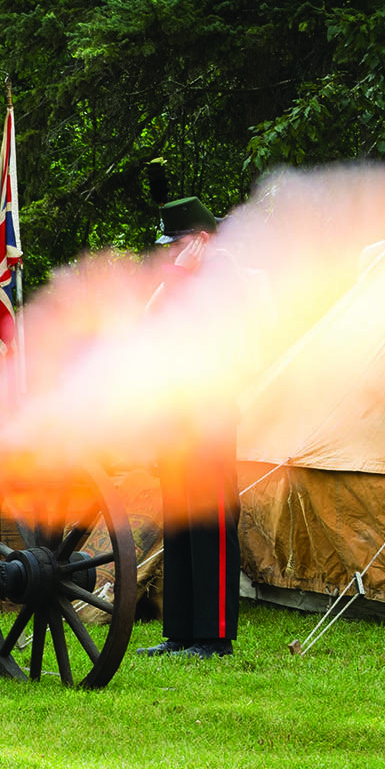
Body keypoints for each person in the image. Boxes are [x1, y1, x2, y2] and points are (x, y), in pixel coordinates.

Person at [136, 196, 243, 660]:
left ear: (199, 240)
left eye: (176, 242)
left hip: (209, 419)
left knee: (211, 525)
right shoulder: (181, 280)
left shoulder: (224, 279)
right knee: (178, 521)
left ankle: (214, 637)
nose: (169, 252)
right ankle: (179, 632)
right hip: (176, 419)